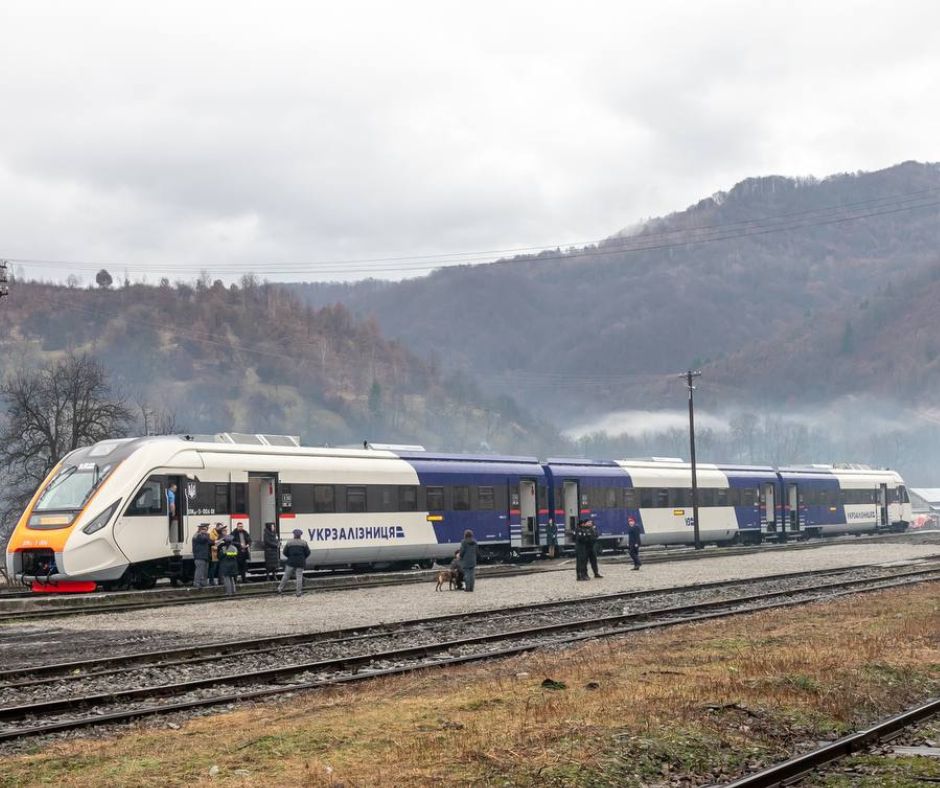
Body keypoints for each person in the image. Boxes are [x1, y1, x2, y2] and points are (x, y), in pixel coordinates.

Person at [278, 528, 310, 597]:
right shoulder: (304, 543)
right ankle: (298, 593)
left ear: (294, 535)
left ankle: (280, 588)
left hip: (291, 561)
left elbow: (284, 552)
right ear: (300, 535)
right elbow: (308, 552)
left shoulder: (289, 543)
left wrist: (290, 556)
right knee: (299, 576)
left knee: (286, 575)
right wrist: (303, 557)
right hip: (300, 562)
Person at [191, 523, 211, 588]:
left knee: (205, 571)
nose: (206, 530)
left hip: (205, 556)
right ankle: (196, 583)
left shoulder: (205, 535)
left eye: (206, 529)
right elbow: (204, 539)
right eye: (204, 529)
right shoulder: (197, 535)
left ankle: (203, 583)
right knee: (199, 571)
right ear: (200, 529)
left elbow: (210, 542)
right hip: (199, 556)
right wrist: (207, 535)